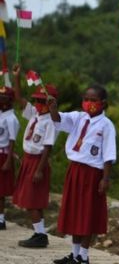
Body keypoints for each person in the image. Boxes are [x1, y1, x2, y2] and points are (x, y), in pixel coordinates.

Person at [49, 85, 117, 264]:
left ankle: (84, 257)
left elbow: (109, 155)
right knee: (75, 213)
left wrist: (105, 177)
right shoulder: (78, 117)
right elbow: (58, 119)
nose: (88, 103)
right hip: (75, 170)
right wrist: (53, 108)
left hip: (93, 173)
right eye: (86, 99)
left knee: (88, 215)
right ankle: (75, 253)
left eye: (93, 100)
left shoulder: (106, 125)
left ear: (103, 104)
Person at [12, 64, 58, 248]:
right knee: (32, 200)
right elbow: (18, 99)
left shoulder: (51, 122)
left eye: (42, 102)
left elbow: (47, 148)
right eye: (36, 101)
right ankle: (39, 233)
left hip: (38, 162)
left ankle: (40, 236)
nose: (37, 105)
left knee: (32, 200)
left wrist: (39, 170)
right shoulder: (35, 114)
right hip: (28, 160)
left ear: (50, 103)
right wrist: (16, 78)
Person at [0, 86, 19, 231]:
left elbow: (12, 140)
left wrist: (8, 161)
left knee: (1, 191)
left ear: (9, 100)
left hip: (4, 154)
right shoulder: (1, 114)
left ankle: (1, 219)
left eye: (3, 96)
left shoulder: (11, 119)